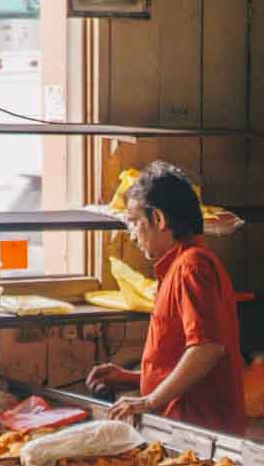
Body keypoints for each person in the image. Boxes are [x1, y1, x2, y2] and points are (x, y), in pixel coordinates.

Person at [85, 161, 245, 434]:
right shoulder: (181, 266)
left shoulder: (192, 266)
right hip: (184, 419)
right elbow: (184, 359)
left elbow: (206, 350)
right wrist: (133, 378)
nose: (132, 236)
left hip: (197, 424)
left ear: (158, 219)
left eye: (135, 223)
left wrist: (148, 401)